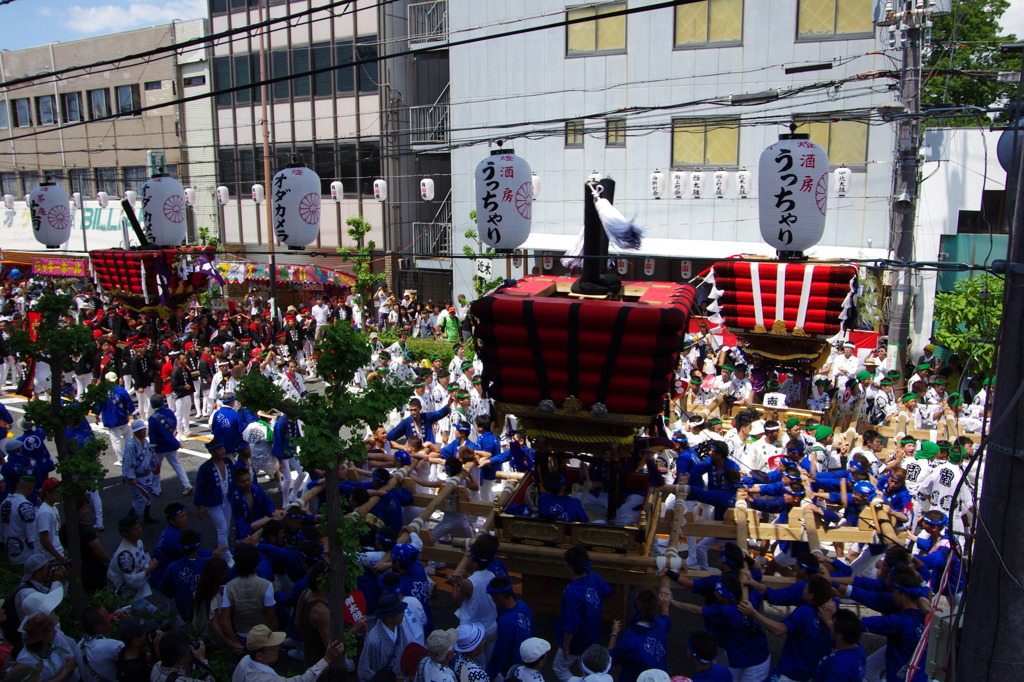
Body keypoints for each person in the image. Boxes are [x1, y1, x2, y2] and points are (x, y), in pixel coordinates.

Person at [553, 547, 611, 681]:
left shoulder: (572, 591)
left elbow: (571, 624)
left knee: (559, 668)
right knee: (590, 668)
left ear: (569, 567)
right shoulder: (595, 578)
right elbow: (607, 591)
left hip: (576, 642)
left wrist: (566, 646)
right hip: (592, 635)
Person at [231, 624, 343, 682]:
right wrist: (327, 659)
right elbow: (302, 681)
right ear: (259, 655)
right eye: (273, 647)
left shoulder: (245, 661)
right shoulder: (264, 680)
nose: (278, 648)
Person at [219, 545, 277, 650]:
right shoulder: (266, 585)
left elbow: (224, 620)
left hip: (241, 634)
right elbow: (271, 618)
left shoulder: (229, 587)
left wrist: (235, 642)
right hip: (262, 634)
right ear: (256, 564)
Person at [608, 588, 670, 682]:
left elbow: (608, 660)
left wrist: (614, 634)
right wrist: (665, 606)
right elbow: (666, 620)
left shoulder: (629, 638)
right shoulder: (660, 625)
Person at [487, 576, 534, 681]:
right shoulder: (525, 606)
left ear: (498, 597)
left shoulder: (506, 621)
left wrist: (489, 675)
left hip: (513, 671)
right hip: (530, 663)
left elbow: (500, 653)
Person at [108, 515, 157, 611]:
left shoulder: (139, 542)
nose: (139, 530)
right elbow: (132, 581)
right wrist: (149, 569)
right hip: (126, 597)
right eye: (135, 529)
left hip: (137, 591)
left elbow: (147, 559)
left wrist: (146, 568)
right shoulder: (124, 555)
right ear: (125, 533)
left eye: (139, 527)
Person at [193, 440, 235, 548]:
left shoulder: (228, 462)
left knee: (227, 525)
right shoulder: (205, 468)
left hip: (228, 498)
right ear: (212, 452)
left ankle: (222, 548)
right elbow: (200, 487)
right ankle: (226, 555)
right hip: (213, 501)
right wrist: (199, 506)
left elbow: (234, 479)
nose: (222, 451)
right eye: (219, 450)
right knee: (222, 528)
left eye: (223, 449)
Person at [358, 594, 408, 682]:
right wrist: (389, 679)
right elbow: (363, 672)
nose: (403, 613)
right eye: (399, 612)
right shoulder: (373, 640)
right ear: (389, 618)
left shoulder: (399, 627)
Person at [16, 612, 78, 682]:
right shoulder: (25, 659)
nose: (55, 631)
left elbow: (71, 660)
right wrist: (63, 674)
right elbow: (68, 668)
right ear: (39, 636)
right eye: (50, 631)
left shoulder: (55, 638)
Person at [815, 608, 867, 682]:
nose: (830, 625)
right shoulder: (858, 648)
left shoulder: (839, 665)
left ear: (839, 635)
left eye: (832, 623)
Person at [122, 420, 159, 524]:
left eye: (144, 430)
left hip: (147, 474)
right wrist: (131, 477)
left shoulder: (145, 442)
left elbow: (149, 455)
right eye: (141, 431)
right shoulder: (131, 445)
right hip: (136, 477)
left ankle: (147, 516)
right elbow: (128, 462)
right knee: (139, 500)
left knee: (147, 497)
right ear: (136, 432)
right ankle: (133, 519)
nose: (143, 432)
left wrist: (153, 466)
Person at [75, 605, 124, 682]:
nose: (111, 618)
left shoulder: (78, 647)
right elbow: (140, 654)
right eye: (107, 617)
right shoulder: (112, 646)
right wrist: (128, 623)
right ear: (99, 628)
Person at [115, 617, 159, 682]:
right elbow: (161, 674)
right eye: (145, 634)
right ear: (136, 641)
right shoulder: (138, 670)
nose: (148, 635)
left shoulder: (124, 653)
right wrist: (157, 649)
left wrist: (152, 645)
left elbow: (151, 659)